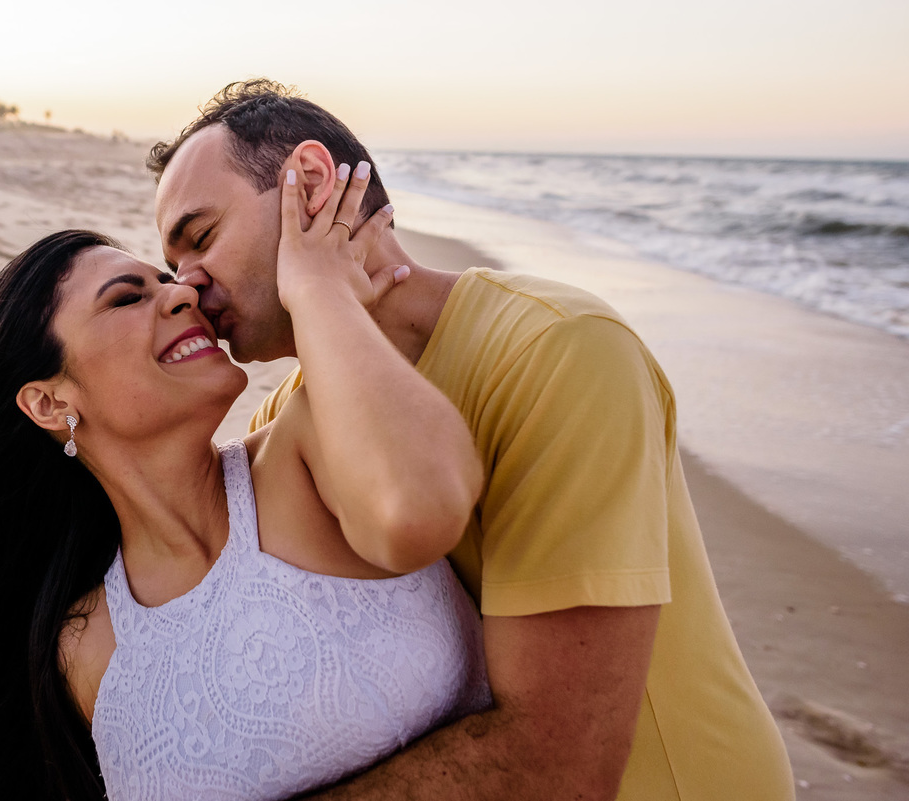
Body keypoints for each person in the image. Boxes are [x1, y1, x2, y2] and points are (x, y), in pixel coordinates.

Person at [148, 79, 796, 800]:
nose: (185, 286)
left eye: (200, 238)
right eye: (174, 266)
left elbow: (557, 763)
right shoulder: (284, 428)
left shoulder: (557, 350)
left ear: (310, 183)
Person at [0, 172, 492, 800]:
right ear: (51, 404)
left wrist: (322, 295)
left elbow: (425, 505)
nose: (183, 293)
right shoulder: (80, 650)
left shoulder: (301, 453)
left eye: (167, 280)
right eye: (125, 299)